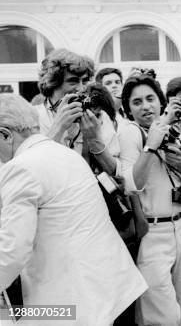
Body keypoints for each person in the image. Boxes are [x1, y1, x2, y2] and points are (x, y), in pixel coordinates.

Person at [0, 94, 147, 325]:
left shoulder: (21, 168)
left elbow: (12, 251)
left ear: (6, 134)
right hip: (106, 284)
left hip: (72, 298)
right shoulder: (67, 154)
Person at [118, 74, 181, 326]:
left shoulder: (176, 132)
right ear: (128, 108)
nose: (145, 106)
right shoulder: (130, 133)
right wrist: (151, 146)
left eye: (150, 99)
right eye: (137, 102)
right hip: (153, 231)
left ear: (161, 101)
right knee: (161, 315)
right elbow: (132, 185)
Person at [35, 48, 94, 152]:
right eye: (73, 81)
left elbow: (116, 166)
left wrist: (95, 139)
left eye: (84, 81)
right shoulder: (34, 117)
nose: (81, 88)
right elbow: (29, 163)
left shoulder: (95, 116)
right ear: (53, 83)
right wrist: (59, 128)